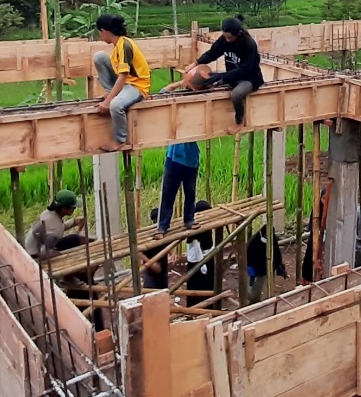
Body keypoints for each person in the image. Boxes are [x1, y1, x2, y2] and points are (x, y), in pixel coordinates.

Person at [164, 15, 263, 136]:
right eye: (225, 37)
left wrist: (221, 76)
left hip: (249, 78)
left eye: (229, 38)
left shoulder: (249, 45)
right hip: (231, 76)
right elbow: (212, 53)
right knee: (205, 80)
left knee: (236, 94)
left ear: (238, 34)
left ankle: (239, 121)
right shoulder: (225, 40)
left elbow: (245, 70)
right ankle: (180, 89)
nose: (226, 40)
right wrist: (195, 63)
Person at [92, 14, 151, 151]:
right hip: (126, 82)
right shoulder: (118, 44)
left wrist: (108, 101)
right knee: (99, 57)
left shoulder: (124, 45)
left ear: (104, 31)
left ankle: (119, 140)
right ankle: (111, 92)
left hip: (137, 85)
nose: (100, 36)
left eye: (100, 33)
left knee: (115, 105)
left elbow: (124, 76)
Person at [24, 190, 87, 259]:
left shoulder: (48, 213)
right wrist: (61, 256)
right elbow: (43, 253)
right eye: (73, 207)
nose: (74, 209)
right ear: (64, 209)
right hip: (34, 255)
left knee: (74, 238)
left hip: (30, 245)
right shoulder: (56, 232)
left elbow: (56, 226)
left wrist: (74, 222)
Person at [156, 142, 200, 236]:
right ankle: (163, 225)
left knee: (190, 192)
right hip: (173, 158)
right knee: (168, 193)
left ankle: (189, 219)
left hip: (191, 158)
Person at [185, 201, 221, 308]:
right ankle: (196, 309)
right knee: (197, 288)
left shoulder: (206, 224)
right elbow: (196, 248)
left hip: (207, 257)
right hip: (197, 261)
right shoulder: (195, 226)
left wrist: (212, 251)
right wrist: (202, 264)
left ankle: (208, 306)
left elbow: (209, 243)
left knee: (208, 285)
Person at [247, 225, 288, 303]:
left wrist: (279, 266)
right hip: (257, 268)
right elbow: (249, 255)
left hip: (269, 266)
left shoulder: (272, 239)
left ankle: (268, 300)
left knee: (269, 286)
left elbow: (276, 253)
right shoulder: (254, 241)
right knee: (256, 287)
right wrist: (250, 267)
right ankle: (254, 301)